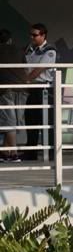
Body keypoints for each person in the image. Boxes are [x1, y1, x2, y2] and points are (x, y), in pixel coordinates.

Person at [24, 23, 57, 161]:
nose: (32, 37)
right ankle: (30, 153)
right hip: (32, 88)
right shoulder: (30, 49)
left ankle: (50, 153)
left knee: (47, 122)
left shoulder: (50, 50)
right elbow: (26, 67)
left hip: (44, 89)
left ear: (43, 35)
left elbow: (39, 69)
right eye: (31, 34)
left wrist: (25, 80)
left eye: (35, 35)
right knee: (30, 119)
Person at [0, 29, 27, 162]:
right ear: (10, 40)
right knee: (13, 120)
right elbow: (25, 67)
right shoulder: (19, 50)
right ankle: (5, 153)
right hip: (21, 88)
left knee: (9, 121)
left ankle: (14, 153)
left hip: (5, 88)